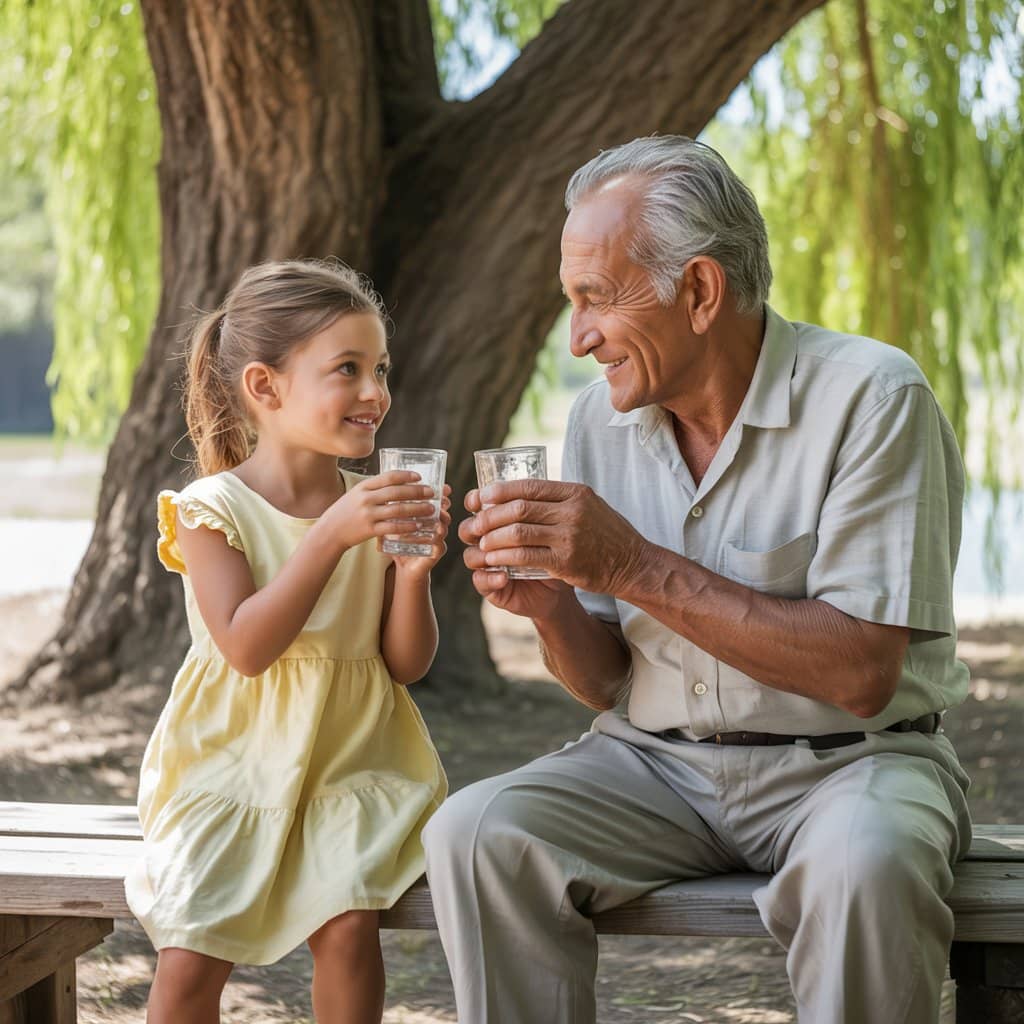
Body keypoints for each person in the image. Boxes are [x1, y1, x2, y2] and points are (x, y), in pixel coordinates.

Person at [424, 136, 973, 1024]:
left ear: (702, 290)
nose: (580, 337)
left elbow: (862, 674)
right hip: (657, 768)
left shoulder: (873, 397)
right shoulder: (601, 421)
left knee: (866, 863)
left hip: (853, 763)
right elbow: (607, 682)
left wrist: (631, 563)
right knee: (479, 832)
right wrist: (554, 607)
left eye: (596, 298)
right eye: (572, 303)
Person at [125, 259, 450, 1024]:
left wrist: (412, 576)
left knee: (347, 928)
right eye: (347, 369)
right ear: (265, 388)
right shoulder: (214, 508)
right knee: (192, 951)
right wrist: (332, 538)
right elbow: (245, 646)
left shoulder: (363, 508)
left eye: (380, 369)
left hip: (349, 768)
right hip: (232, 770)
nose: (375, 392)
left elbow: (402, 664)